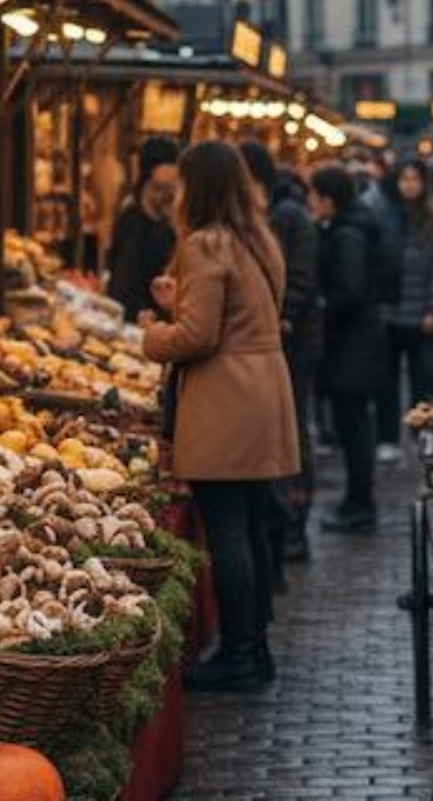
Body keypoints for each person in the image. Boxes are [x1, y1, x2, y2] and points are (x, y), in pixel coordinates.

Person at [140, 141, 299, 692]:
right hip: (261, 392)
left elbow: (198, 336)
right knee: (250, 526)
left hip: (225, 399)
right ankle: (255, 647)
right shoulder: (256, 239)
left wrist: (152, 334)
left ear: (198, 186)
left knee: (227, 529)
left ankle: (237, 654)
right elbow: (238, 316)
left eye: (183, 183)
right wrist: (177, 302)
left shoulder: (204, 244)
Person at [240, 141, 321, 567]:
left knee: (293, 434)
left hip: (293, 345)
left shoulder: (287, 217)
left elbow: (300, 276)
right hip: (278, 342)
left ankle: (293, 526)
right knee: (284, 434)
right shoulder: (270, 217)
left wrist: (281, 317)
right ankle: (285, 524)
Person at [309, 163, 388, 533]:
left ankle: (359, 504)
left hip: (352, 347)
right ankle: (357, 501)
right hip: (357, 344)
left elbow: (349, 291)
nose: (311, 202)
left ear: (328, 199)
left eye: (314, 195)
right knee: (354, 426)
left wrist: (321, 307)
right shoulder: (349, 227)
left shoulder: (347, 235)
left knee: (353, 427)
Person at [379, 157, 433, 461]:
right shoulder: (386, 217)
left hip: (423, 314)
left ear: (424, 184)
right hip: (391, 311)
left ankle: (423, 435)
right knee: (386, 381)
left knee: (425, 378)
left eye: (414, 179)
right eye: (404, 179)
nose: (409, 185)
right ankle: (388, 438)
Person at [106, 137, 181, 321]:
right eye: (160, 188)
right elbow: (123, 283)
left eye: (173, 189)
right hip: (137, 323)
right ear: (147, 183)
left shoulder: (166, 223)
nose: (168, 197)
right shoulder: (135, 222)